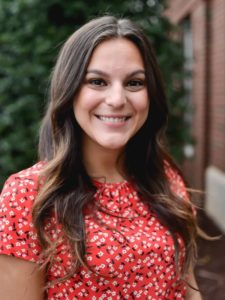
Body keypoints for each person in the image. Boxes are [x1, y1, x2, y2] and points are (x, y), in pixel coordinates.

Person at [0, 15, 202, 299]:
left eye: (134, 83)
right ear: (70, 92)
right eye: (97, 81)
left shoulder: (165, 178)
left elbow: (189, 290)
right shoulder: (28, 196)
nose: (118, 99)